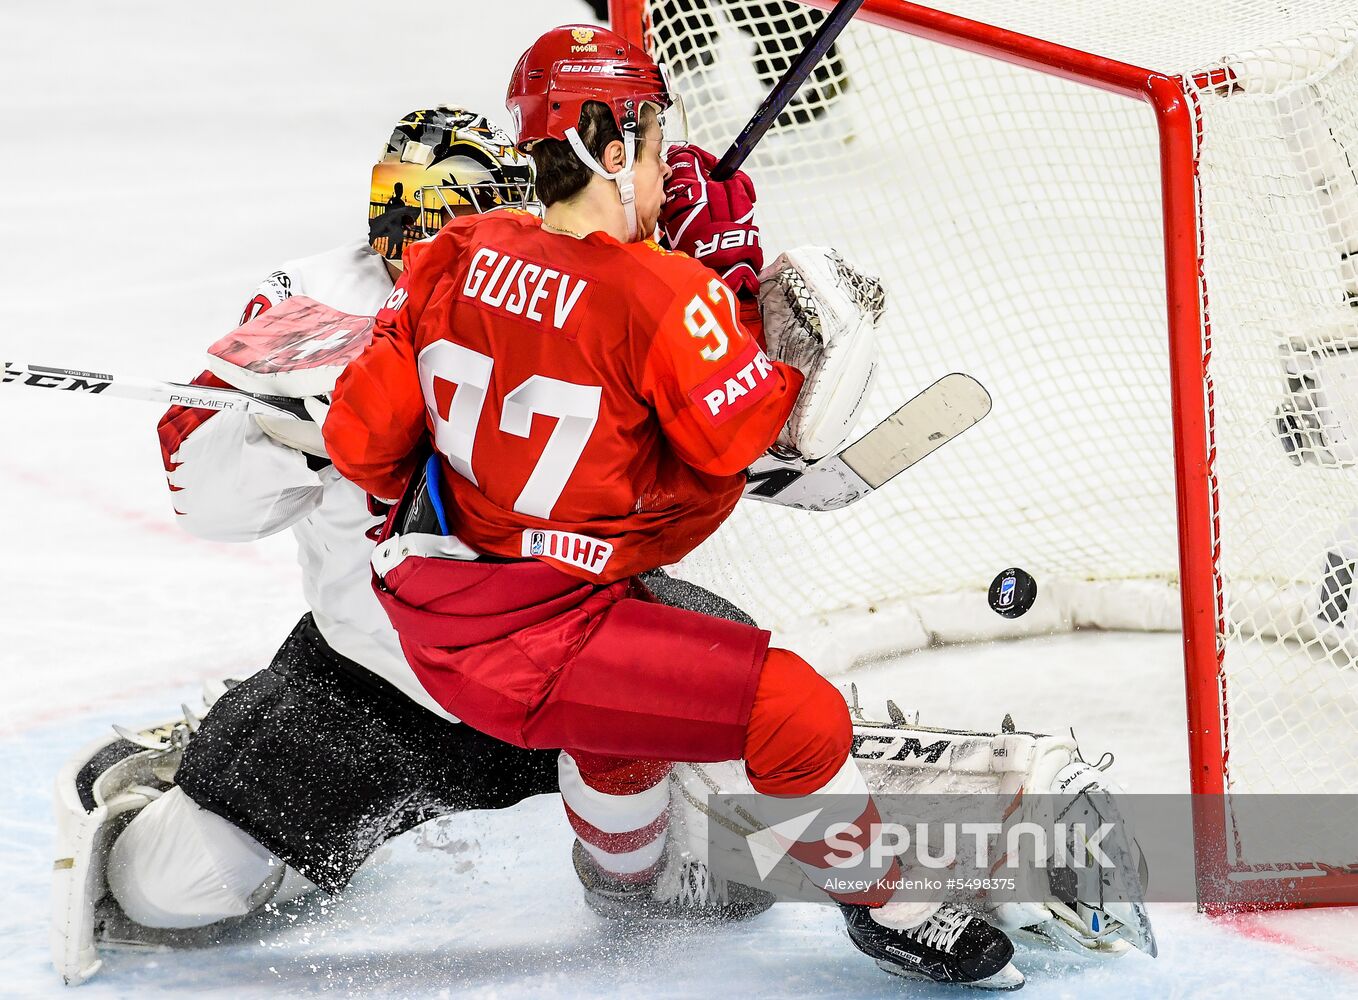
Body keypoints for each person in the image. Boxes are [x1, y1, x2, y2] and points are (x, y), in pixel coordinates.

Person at [322, 25, 1021, 990]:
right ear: (612, 150)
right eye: (651, 139)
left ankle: (623, 888)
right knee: (798, 717)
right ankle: (890, 910)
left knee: (620, 730)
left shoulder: (451, 255)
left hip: (437, 606)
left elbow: (361, 444)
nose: (660, 159)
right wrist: (728, 280)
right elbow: (756, 437)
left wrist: (664, 271)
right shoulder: (661, 297)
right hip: (537, 637)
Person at [52, 106, 612, 987]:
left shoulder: (583, 288)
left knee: (717, 851)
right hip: (377, 680)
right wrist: (286, 433)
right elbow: (205, 500)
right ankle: (219, 787)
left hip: (569, 658)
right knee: (166, 889)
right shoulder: (314, 302)